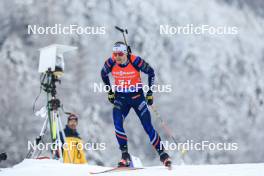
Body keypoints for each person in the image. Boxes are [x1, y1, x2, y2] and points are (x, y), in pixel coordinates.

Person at [101, 41, 171, 167]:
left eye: (120, 54)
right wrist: (109, 91)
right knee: (117, 123)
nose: (117, 57)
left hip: (137, 98)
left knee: (147, 126)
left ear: (126, 53)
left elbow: (151, 72)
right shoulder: (111, 62)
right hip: (121, 99)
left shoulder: (135, 61)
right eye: (115, 54)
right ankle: (125, 156)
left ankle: (163, 154)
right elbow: (103, 73)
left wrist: (150, 93)